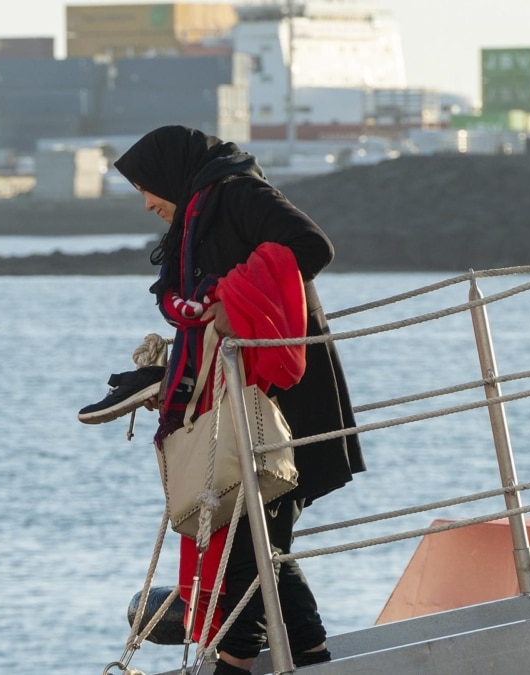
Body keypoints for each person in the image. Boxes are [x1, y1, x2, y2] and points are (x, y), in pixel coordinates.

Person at [111, 125, 364, 674]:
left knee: (251, 541)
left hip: (284, 395)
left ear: (170, 174)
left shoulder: (235, 193)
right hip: (245, 396)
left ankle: (233, 664)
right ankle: (313, 657)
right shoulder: (197, 215)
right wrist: (168, 379)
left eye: (146, 188)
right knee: (260, 538)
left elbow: (313, 246)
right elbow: (195, 310)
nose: (149, 202)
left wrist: (234, 303)